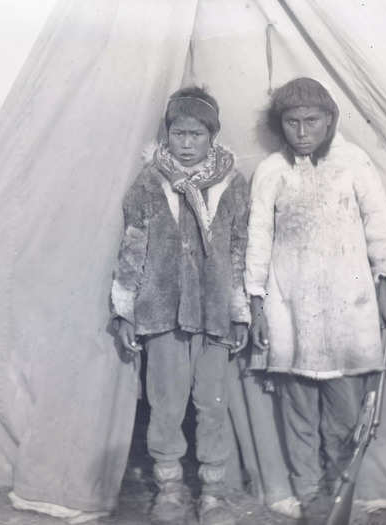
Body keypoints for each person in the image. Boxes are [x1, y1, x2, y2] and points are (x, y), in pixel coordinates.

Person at [245, 77, 386, 523]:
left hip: (347, 308)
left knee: (346, 413)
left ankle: (338, 493)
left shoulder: (354, 163)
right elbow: (258, 238)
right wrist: (256, 304)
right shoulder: (272, 170)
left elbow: (381, 227)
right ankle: (310, 493)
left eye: (311, 121)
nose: (301, 131)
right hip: (289, 308)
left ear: (330, 120)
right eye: (291, 122)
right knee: (298, 412)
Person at [111, 86, 250, 525]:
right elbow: (133, 246)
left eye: (196, 134)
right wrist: (125, 308)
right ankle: (169, 487)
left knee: (211, 403)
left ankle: (212, 493)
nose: (186, 143)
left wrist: (240, 310)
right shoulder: (151, 182)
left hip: (213, 313)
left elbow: (239, 249)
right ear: (167, 133)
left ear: (213, 136)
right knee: (166, 403)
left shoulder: (232, 184)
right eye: (178, 133)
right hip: (162, 311)